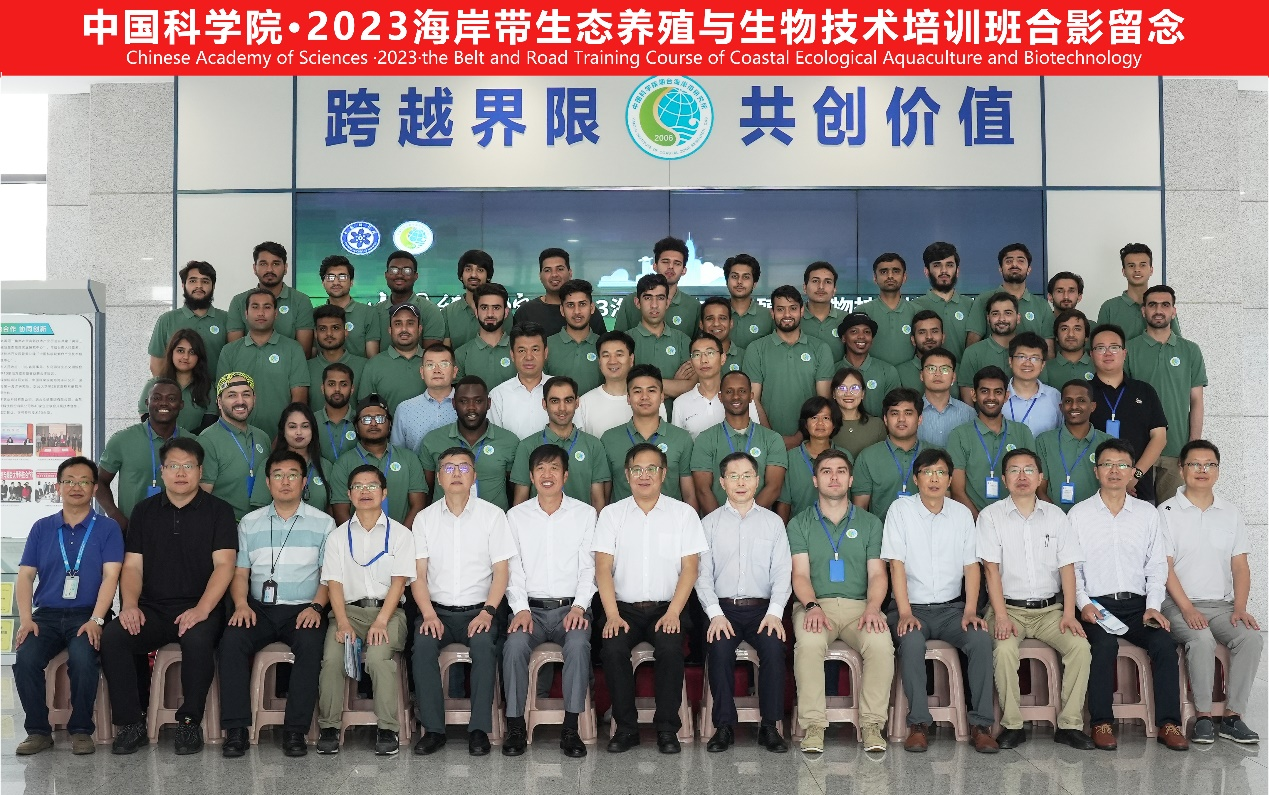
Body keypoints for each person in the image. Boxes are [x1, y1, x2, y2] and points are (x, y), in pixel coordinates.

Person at [100, 437, 238, 755]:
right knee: (115, 637)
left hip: (201, 607)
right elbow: (132, 567)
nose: (180, 472)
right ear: (162, 471)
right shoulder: (144, 512)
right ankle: (131, 722)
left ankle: (189, 723)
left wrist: (202, 609)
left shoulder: (219, 511)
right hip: (153, 608)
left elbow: (225, 566)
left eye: (188, 466)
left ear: (200, 471)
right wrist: (129, 605)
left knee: (198, 640)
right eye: (173, 465)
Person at [1069, 438, 1189, 751]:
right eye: (1107, 464)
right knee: (1103, 646)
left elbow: (1156, 565)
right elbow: (1072, 569)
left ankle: (1169, 723)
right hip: (1096, 605)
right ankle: (1101, 722)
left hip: (1139, 607)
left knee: (1164, 645)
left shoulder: (1147, 514)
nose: (1114, 471)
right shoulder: (1078, 515)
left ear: (1133, 471)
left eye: (1122, 465)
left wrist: (1153, 606)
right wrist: (1083, 604)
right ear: (1096, 471)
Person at [976, 447, 1095, 751]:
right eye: (1014, 470)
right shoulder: (990, 517)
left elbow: (1067, 568)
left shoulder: (1056, 516)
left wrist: (1069, 614)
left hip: (1049, 611)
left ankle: (1069, 725)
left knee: (1080, 647)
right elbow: (991, 571)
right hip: (1008, 609)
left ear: (1040, 477)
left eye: (1029, 470)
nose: (1022, 476)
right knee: (1004, 649)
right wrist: (1001, 617)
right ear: (1004, 479)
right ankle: (1013, 725)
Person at [218, 450, 335, 758]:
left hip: (304, 609)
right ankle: (236, 730)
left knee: (311, 645)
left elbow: (329, 576)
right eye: (278, 475)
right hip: (258, 609)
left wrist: (317, 607)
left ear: (304, 482)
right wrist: (241, 604)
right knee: (231, 641)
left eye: (292, 475)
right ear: (268, 482)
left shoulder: (324, 524)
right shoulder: (249, 523)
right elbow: (240, 573)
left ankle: (295, 731)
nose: (285, 481)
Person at [594, 443, 709, 754]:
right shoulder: (612, 515)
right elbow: (602, 568)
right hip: (622, 609)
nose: (643, 475)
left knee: (670, 648)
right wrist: (612, 614)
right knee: (613, 647)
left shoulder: (683, 514)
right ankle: (626, 729)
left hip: (667, 607)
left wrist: (674, 613)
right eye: (637, 469)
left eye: (651, 469)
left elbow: (690, 569)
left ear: (664, 473)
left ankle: (667, 729)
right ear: (627, 474)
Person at [882, 449, 997, 753]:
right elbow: (896, 565)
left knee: (980, 639)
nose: (934, 479)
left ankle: (981, 725)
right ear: (916, 478)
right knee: (911, 641)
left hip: (951, 610)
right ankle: (919, 724)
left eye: (941, 472)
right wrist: (905, 612)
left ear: (949, 479)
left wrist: (970, 610)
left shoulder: (961, 514)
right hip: (911, 608)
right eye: (927, 472)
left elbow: (971, 567)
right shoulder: (900, 510)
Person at [409, 447, 516, 757]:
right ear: (439, 478)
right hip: (436, 612)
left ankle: (479, 729)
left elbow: (501, 571)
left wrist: (488, 612)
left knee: (484, 647)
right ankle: (434, 730)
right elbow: (418, 575)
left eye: (464, 467)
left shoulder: (493, 516)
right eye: (449, 468)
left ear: (475, 476)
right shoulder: (424, 519)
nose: (456, 473)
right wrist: (428, 614)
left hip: (479, 612)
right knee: (422, 647)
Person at [14, 458, 124, 756]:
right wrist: (26, 619)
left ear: (95, 488)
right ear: (58, 486)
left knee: (83, 658)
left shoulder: (108, 528)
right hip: (46, 615)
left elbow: (111, 576)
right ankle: (38, 731)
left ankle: (81, 730)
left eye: (84, 481)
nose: (77, 487)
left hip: (88, 614)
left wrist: (97, 620)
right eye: (69, 481)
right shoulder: (42, 528)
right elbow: (25, 576)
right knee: (25, 659)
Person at [1158, 439, 1263, 745]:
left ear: (1218, 471)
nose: (1202, 470)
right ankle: (1203, 717)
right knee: (1201, 638)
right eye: (1194, 464)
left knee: (1251, 638)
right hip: (1177, 604)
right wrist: (1187, 609)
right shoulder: (1165, 512)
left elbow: (1240, 566)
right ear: (1182, 469)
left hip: (1222, 605)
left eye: (1209, 465)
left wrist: (1240, 607)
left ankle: (1232, 717)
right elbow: (1165, 568)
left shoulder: (1230, 513)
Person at [788, 449, 892, 754]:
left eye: (841, 471)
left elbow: (877, 574)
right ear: (815, 480)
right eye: (826, 471)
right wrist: (811, 606)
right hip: (815, 605)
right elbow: (800, 574)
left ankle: (872, 724)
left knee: (881, 645)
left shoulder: (871, 523)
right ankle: (813, 725)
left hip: (860, 606)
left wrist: (873, 607)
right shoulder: (799, 523)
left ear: (850, 480)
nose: (834, 477)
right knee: (809, 644)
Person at [501, 444, 598, 758]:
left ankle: (571, 728)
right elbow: (512, 569)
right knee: (514, 646)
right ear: (531, 476)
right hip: (529, 609)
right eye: (540, 468)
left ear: (565, 475)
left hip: (571, 607)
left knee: (578, 645)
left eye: (554, 468)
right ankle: (516, 726)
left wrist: (580, 606)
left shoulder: (585, 514)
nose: (547, 474)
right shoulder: (515, 517)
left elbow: (589, 568)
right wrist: (520, 609)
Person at [314, 465, 414, 756]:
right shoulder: (337, 537)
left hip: (389, 613)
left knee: (379, 658)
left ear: (384, 493)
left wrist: (381, 621)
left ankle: (388, 729)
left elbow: (399, 583)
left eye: (372, 486)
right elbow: (333, 583)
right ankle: (329, 727)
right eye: (358, 486)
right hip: (348, 613)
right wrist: (343, 622)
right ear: (349, 494)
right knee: (332, 659)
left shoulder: (401, 534)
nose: (365, 491)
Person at [695, 452, 791, 753]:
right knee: (719, 649)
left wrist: (775, 613)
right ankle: (723, 727)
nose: (741, 482)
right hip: (723, 609)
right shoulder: (709, 524)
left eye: (747, 476)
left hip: (763, 610)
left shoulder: (773, 523)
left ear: (757, 480)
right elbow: (701, 576)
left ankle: (770, 726)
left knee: (774, 649)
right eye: (733, 476)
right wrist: (715, 614)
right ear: (722, 482)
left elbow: (783, 572)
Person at [1125, 285, 1207, 502]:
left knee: (1172, 515)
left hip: (1176, 451)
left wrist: (1192, 446)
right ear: (1143, 311)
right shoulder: (1128, 349)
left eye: (1165, 305)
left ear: (1173, 311)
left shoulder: (1190, 350)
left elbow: (1196, 401)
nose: (1159, 310)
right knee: (1137, 516)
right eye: (1152, 305)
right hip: (1138, 451)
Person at [1088, 323, 1168, 503]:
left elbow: (1159, 438)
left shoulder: (1144, 391)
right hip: (1092, 491)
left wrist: (1134, 476)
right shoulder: (1082, 394)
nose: (1108, 353)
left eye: (1114, 347)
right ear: (1091, 354)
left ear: (1124, 353)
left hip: (1139, 490)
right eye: (1100, 348)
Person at [216, 287, 310, 440]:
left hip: (282, 438)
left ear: (275, 313)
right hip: (238, 439)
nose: (261, 313)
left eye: (267, 307)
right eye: (255, 307)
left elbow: (299, 399)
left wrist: (283, 438)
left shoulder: (293, 349)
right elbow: (222, 399)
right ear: (246, 314)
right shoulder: (229, 351)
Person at [599, 365, 696, 509]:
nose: (644, 397)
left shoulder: (681, 438)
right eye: (637, 391)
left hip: (670, 521)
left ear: (662, 396)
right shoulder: (609, 439)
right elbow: (604, 496)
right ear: (628, 398)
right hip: (623, 521)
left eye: (651, 390)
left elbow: (689, 494)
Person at [744, 285, 834, 440]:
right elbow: (753, 400)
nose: (787, 314)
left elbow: (823, 401)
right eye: (780, 309)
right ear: (772, 313)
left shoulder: (820, 348)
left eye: (793, 308)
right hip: (766, 440)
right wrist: (772, 439)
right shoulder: (756, 348)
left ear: (801, 311)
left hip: (810, 439)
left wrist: (800, 436)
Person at [690, 371, 787, 513]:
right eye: (729, 391)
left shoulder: (772, 439)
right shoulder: (705, 439)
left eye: (742, 391)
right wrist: (724, 521)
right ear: (720, 397)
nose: (736, 396)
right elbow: (703, 490)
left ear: (751, 396)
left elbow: (773, 488)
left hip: (758, 522)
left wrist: (748, 519)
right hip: (718, 523)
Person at [948, 366, 1037, 520]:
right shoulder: (959, 435)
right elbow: (957, 491)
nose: (991, 397)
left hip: (1017, 520)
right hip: (975, 522)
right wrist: (981, 522)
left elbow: (1032, 480)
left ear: (1006, 396)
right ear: (973, 395)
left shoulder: (1022, 432)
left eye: (998, 392)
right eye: (984, 391)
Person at [419, 376, 519, 510]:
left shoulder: (509, 441)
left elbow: (515, 490)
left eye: (478, 401)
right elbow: (426, 489)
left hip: (492, 521)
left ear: (488, 403)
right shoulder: (433, 440)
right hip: (444, 519)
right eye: (463, 401)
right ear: (454, 404)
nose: (471, 407)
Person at [98, 379, 185, 532]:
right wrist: (115, 516)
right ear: (147, 403)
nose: (163, 403)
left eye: (171, 399)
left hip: (179, 531)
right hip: (132, 530)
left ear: (181, 405)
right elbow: (99, 481)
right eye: (156, 398)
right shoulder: (122, 440)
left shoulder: (192, 442)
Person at [510, 376, 610, 508]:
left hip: (582, 520)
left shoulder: (593, 445)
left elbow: (597, 500)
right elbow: (520, 502)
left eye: (568, 400)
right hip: (538, 520)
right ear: (544, 404)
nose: (562, 408)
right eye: (555, 401)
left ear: (577, 403)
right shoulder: (527, 446)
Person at [329, 394, 427, 525]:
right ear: (356, 426)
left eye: (380, 418)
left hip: (402, 536)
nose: (374, 423)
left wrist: (401, 535)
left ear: (390, 424)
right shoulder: (343, 463)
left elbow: (418, 506)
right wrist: (358, 536)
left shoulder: (409, 459)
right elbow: (341, 511)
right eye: (366, 419)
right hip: (357, 536)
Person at [198, 372, 271, 522]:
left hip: (262, 526)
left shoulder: (262, 437)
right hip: (226, 527)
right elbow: (202, 498)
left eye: (246, 394)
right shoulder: (207, 440)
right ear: (219, 402)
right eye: (232, 395)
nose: (240, 401)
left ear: (254, 398)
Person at [226, 242, 315, 356]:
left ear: (285, 268)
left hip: (289, 366)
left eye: (276, 264)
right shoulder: (239, 302)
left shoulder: (301, 301)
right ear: (254, 268)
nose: (269, 269)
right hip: (247, 366)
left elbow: (303, 353)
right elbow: (235, 351)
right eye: (263, 264)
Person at [1035, 381, 1112, 512]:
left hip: (1095, 518)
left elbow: (1112, 488)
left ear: (1092, 406)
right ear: (1061, 407)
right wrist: (1057, 516)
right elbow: (1039, 489)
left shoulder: (1108, 442)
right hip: (1054, 517)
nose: (1074, 406)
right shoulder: (1044, 441)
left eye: (1081, 400)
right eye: (1068, 401)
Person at [850, 387, 924, 522]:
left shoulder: (935, 456)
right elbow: (860, 511)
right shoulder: (867, 457)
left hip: (928, 533)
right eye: (894, 413)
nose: (901, 419)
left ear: (919, 419)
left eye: (908, 413)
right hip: (881, 533)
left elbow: (946, 502)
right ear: (885, 419)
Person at [574, 331, 666, 438]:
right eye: (606, 355)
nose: (612, 361)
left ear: (631, 359)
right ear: (599, 362)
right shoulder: (584, 403)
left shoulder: (651, 401)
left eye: (619, 355)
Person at [249, 403, 335, 514]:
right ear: (283, 431)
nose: (299, 432)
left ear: (313, 430)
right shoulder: (269, 465)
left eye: (305, 426)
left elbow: (331, 511)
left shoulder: (326, 466)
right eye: (292, 427)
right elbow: (259, 512)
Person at [148, 260, 230, 375]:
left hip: (216, 387)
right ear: (183, 285)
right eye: (193, 281)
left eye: (205, 281)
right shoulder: (167, 320)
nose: (199, 286)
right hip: (176, 387)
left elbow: (234, 360)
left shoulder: (226, 319)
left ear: (213, 286)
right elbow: (156, 365)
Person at [965, 243, 1053, 348]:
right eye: (1009, 261)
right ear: (1000, 269)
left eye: (1020, 261)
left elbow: (1049, 349)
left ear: (1029, 269)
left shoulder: (1042, 305)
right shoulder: (983, 300)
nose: (1014, 265)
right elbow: (973, 342)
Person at [672, 333, 757, 439]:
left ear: (723, 358)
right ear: (691, 362)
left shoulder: (739, 398)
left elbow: (755, 436)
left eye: (710, 353)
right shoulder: (680, 403)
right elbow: (679, 444)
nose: (704, 360)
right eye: (697, 355)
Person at [776, 397, 847, 523]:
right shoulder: (790, 458)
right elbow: (784, 503)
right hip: (800, 528)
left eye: (826, 418)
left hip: (838, 527)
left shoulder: (845, 456)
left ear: (834, 424)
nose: (820, 423)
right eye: (814, 418)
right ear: (805, 424)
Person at [612, 236, 701, 335]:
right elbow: (617, 341)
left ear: (684, 270)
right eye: (665, 262)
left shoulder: (693, 306)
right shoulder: (630, 302)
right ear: (655, 266)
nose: (670, 267)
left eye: (677, 263)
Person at [628, 273, 695, 401]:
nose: (654, 305)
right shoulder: (625, 341)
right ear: (637, 303)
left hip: (675, 414)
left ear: (667, 302)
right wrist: (675, 384)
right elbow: (623, 386)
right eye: (648, 298)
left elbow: (690, 386)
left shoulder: (683, 340)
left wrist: (643, 388)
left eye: (660, 298)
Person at [512, 248, 607, 337]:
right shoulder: (526, 312)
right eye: (547, 270)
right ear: (540, 276)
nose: (554, 274)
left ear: (570, 273)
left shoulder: (588, 312)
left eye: (560, 269)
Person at [1096, 242, 1181, 341]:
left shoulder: (1164, 305)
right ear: (1124, 271)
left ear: (1151, 270)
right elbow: (1099, 343)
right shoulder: (1109, 308)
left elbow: (1177, 343)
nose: (1137, 270)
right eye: (1131, 266)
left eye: (1142, 265)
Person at [139, 328, 216, 432]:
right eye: (180, 351)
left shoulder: (208, 388)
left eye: (192, 352)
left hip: (195, 441)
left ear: (199, 356)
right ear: (171, 353)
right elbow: (145, 419)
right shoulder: (153, 385)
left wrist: (184, 440)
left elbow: (210, 425)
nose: (186, 357)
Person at [390, 343, 458, 455]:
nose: (437, 370)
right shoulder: (405, 409)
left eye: (444, 364)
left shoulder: (467, 406)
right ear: (422, 372)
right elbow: (398, 454)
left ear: (454, 372)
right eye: (430, 365)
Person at [358, 303, 426, 412]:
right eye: (398, 324)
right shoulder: (374, 365)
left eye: (410, 323)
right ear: (390, 330)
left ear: (419, 329)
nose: (404, 329)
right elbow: (365, 410)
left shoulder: (434, 361)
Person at [911, 242, 974, 361]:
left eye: (949, 265)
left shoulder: (971, 306)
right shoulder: (914, 306)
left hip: (964, 372)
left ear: (957, 270)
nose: (944, 270)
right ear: (926, 271)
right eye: (937, 265)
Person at [489, 322, 551, 438]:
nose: (529, 357)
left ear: (545, 353)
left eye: (535, 350)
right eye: (522, 351)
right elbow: (495, 441)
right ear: (512, 355)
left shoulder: (561, 391)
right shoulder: (498, 396)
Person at [375, 249, 446, 349]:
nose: (399, 275)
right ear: (386, 275)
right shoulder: (375, 312)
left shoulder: (430, 311)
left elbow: (432, 355)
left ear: (415, 276)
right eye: (394, 270)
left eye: (407, 271)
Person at [835, 312, 901, 418]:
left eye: (867, 332)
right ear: (844, 338)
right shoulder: (832, 371)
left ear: (872, 339)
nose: (861, 336)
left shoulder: (887, 371)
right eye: (854, 331)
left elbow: (895, 411)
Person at [545, 278, 604, 395]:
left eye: (582, 304)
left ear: (592, 308)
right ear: (562, 310)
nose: (577, 311)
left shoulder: (604, 346)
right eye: (570, 305)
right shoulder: (546, 345)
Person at [453, 282, 517, 390]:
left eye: (496, 308)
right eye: (484, 308)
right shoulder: (461, 354)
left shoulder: (520, 350)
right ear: (476, 312)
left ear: (506, 312)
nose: (490, 314)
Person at [957, 292, 1018, 403]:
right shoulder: (972, 353)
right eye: (995, 314)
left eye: (1008, 313)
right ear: (988, 318)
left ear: (1018, 318)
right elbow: (968, 402)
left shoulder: (1029, 352)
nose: (1002, 318)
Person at [857, 253, 917, 366]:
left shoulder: (917, 311)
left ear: (904, 277)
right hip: (872, 375)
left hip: (909, 375)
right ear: (875, 278)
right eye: (884, 272)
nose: (890, 276)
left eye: (896, 271)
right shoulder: (862, 311)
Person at [444, 249, 509, 350]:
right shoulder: (448, 313)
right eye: (468, 269)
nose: (473, 275)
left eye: (480, 270)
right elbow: (444, 353)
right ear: (461, 275)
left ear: (488, 276)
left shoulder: (504, 313)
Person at [319, 254, 380, 358]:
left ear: (351, 282)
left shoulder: (368, 313)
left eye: (342, 277)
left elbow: (372, 358)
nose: (336, 282)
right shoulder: (315, 314)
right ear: (323, 283)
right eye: (330, 277)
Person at [308, 304, 368, 410]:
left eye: (335, 328)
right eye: (322, 329)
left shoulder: (365, 367)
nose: (329, 334)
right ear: (316, 333)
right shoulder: (306, 368)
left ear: (345, 332)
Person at [915, 348, 976, 448]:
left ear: (953, 377)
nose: (937, 374)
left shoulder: (969, 413)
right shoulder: (911, 412)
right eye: (931, 369)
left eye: (945, 369)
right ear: (921, 375)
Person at [1004, 332, 1062, 436]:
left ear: (1043, 364)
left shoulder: (1055, 397)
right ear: (1010, 361)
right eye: (1021, 357)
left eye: (1035, 358)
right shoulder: (998, 396)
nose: (1027, 363)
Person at [830, 367, 887, 457]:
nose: (848, 394)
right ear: (834, 393)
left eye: (854, 388)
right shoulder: (825, 424)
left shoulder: (876, 425)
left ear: (862, 394)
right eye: (842, 388)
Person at [723, 254, 773, 350]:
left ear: (754, 283)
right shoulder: (717, 315)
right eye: (734, 276)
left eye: (746, 277)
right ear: (726, 281)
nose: (739, 281)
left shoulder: (768, 316)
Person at [315, 362, 358, 464]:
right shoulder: (310, 421)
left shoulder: (361, 420)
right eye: (331, 384)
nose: (337, 389)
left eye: (343, 384)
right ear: (322, 388)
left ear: (352, 389)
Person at [1042, 309, 1096, 389]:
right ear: (1056, 336)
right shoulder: (1044, 368)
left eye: (1077, 329)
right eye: (1064, 329)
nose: (1071, 334)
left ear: (1086, 336)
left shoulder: (1097, 365)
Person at [799, 261, 847, 347]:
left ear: (834, 289)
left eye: (828, 282)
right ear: (805, 288)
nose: (821, 287)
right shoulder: (794, 319)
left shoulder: (845, 319)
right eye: (815, 281)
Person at [699, 295, 750, 375]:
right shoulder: (693, 357)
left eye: (722, 318)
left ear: (731, 323)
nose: (716, 324)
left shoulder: (746, 357)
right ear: (701, 324)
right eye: (710, 318)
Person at [895, 309, 944, 390]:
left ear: (943, 337)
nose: (929, 337)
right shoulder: (898, 373)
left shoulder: (956, 369)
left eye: (934, 331)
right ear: (913, 340)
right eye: (922, 332)